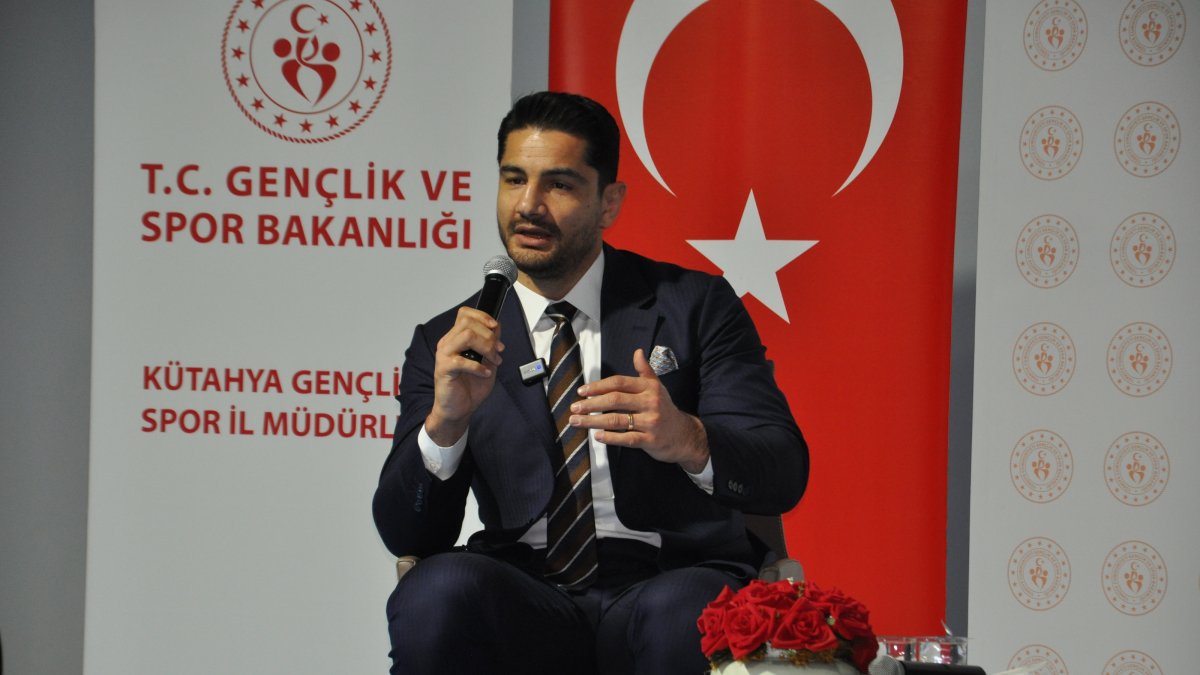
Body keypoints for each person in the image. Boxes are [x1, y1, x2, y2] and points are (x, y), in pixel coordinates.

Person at [373, 91, 808, 674]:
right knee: (440, 587)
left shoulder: (694, 307)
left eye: (558, 184)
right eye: (512, 179)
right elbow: (407, 531)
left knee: (688, 609)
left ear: (609, 202)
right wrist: (445, 423)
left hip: (667, 578)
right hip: (523, 589)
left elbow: (781, 472)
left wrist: (689, 439)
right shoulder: (449, 342)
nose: (528, 205)